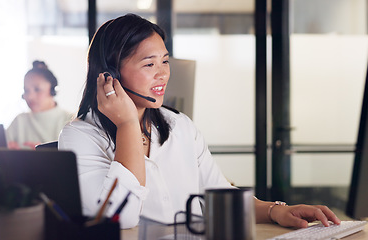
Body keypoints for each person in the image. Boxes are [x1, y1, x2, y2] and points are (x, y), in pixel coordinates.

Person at [58, 14, 340, 229]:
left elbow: (218, 195)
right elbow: (120, 217)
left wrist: (274, 211)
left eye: (164, 61)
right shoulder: (79, 136)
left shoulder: (179, 125)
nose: (163, 75)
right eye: (149, 64)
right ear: (110, 75)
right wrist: (128, 125)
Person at [7, 60, 73, 149]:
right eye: (26, 91)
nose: (30, 97)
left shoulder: (70, 120)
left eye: (37, 89)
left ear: (52, 90)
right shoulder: (19, 121)